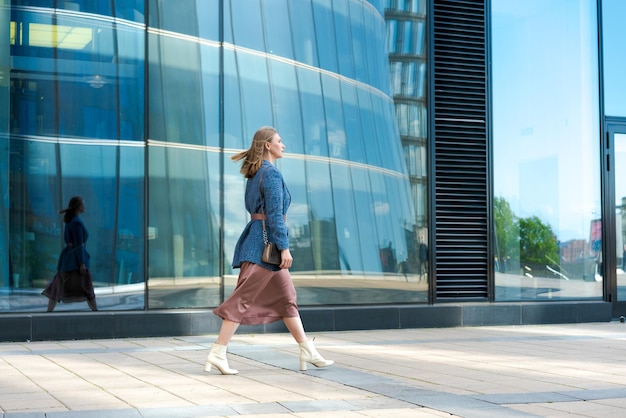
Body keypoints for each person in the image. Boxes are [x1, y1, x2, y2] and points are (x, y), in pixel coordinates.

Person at [206, 126, 333, 375]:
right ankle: (218, 352)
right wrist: (284, 248)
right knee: (242, 300)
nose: (283, 145)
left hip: (257, 242)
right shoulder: (271, 174)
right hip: (265, 249)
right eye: (279, 141)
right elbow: (274, 215)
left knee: (287, 300)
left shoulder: (255, 174)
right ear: (267, 145)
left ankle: (307, 351)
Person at [42, 196, 97, 312]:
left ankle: (49, 311)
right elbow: (78, 245)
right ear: (78, 207)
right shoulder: (76, 223)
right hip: (75, 260)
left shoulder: (71, 221)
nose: (85, 206)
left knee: (58, 284)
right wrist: (82, 263)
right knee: (86, 286)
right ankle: (96, 311)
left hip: (68, 259)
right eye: (83, 204)